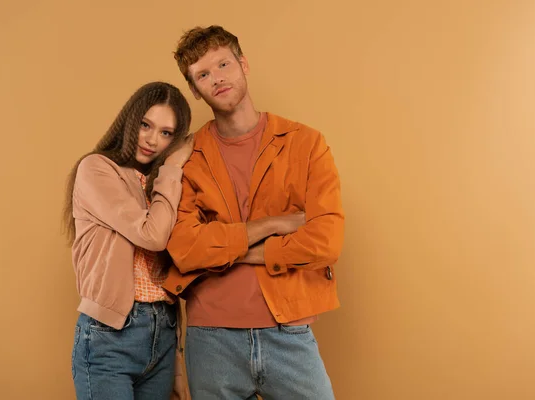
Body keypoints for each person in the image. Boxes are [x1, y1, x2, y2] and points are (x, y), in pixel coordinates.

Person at [162, 26, 345, 399]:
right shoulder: (188, 157)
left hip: (288, 330)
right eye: (203, 75)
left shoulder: (306, 143)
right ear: (195, 90)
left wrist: (228, 253)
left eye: (223, 64)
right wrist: (275, 224)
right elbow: (183, 248)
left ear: (243, 64)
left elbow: (326, 241)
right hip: (211, 338)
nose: (217, 78)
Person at [63, 81, 193, 400]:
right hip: (110, 337)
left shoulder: (160, 185)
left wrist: (176, 362)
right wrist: (174, 165)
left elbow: (167, 275)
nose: (151, 140)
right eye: (146, 125)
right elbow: (152, 236)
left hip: (162, 335)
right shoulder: (96, 169)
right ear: (130, 119)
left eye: (166, 133)